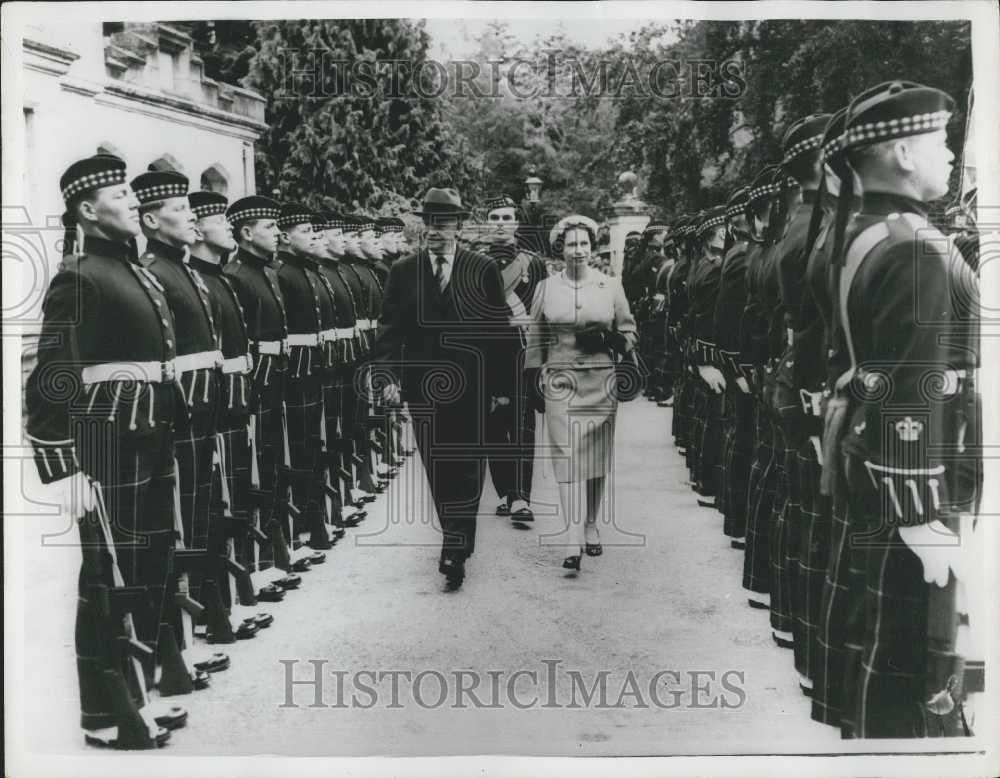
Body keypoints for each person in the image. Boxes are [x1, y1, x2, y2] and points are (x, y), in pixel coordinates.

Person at [827, 80, 977, 738]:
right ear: (903, 154)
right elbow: (909, 381)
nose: (950, 155)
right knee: (912, 660)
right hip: (907, 471)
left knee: (878, 642)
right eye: (940, 141)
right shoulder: (914, 245)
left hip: (873, 452)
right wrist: (920, 512)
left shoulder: (868, 233)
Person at [26, 154, 186, 748]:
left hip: (151, 435)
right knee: (105, 581)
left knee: (148, 567)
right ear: (89, 211)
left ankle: (139, 693)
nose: (133, 201)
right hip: (106, 443)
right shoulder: (79, 275)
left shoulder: (137, 271)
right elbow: (51, 378)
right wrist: (64, 465)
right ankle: (104, 711)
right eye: (120, 193)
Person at [375, 187, 513, 589]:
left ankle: (454, 544)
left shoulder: (482, 268)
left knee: (468, 467)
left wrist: (501, 387)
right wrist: (388, 377)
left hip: (473, 387)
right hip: (424, 389)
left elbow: (498, 330)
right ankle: (455, 535)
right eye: (431, 222)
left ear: (458, 227)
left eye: (445, 223)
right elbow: (389, 329)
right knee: (438, 467)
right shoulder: (403, 271)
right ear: (424, 226)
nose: (437, 230)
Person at [133, 169, 229, 688]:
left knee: (198, 517)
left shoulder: (181, 270)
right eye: (178, 209)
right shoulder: (156, 271)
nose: (190, 215)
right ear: (151, 221)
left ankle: (195, 635)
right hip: (178, 414)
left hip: (201, 409)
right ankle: (182, 645)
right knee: (180, 526)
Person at [525, 214, 637, 572]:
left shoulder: (611, 285)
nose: (579, 251)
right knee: (566, 455)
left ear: (592, 247)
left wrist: (612, 339)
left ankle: (590, 522)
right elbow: (536, 335)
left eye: (584, 244)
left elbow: (629, 331)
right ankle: (571, 536)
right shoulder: (546, 288)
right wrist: (532, 375)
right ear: (561, 248)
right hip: (560, 378)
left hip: (600, 379)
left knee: (595, 456)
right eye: (572, 244)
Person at [223, 196, 300, 591]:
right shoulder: (236, 275)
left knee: (271, 467)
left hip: (276, 380)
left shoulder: (266, 272)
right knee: (254, 473)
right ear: (246, 233)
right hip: (256, 383)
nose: (277, 234)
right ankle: (257, 563)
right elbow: (242, 341)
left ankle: (272, 553)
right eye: (269, 228)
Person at [481, 194, 547, 523]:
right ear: (486, 222)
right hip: (488, 355)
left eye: (507, 218)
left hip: (523, 353)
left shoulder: (532, 263)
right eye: (495, 218)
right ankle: (506, 492)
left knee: (522, 425)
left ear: (517, 224)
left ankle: (522, 497)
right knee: (494, 426)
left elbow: (544, 312)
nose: (501, 224)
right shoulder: (473, 261)